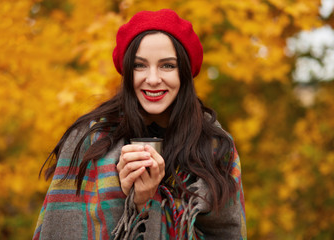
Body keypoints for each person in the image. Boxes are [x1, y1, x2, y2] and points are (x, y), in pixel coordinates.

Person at [33, 9, 247, 240]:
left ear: (184, 72)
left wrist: (149, 204)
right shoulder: (88, 140)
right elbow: (63, 229)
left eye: (167, 66)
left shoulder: (216, 148)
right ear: (126, 71)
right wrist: (134, 201)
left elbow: (229, 232)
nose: (153, 79)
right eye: (139, 65)